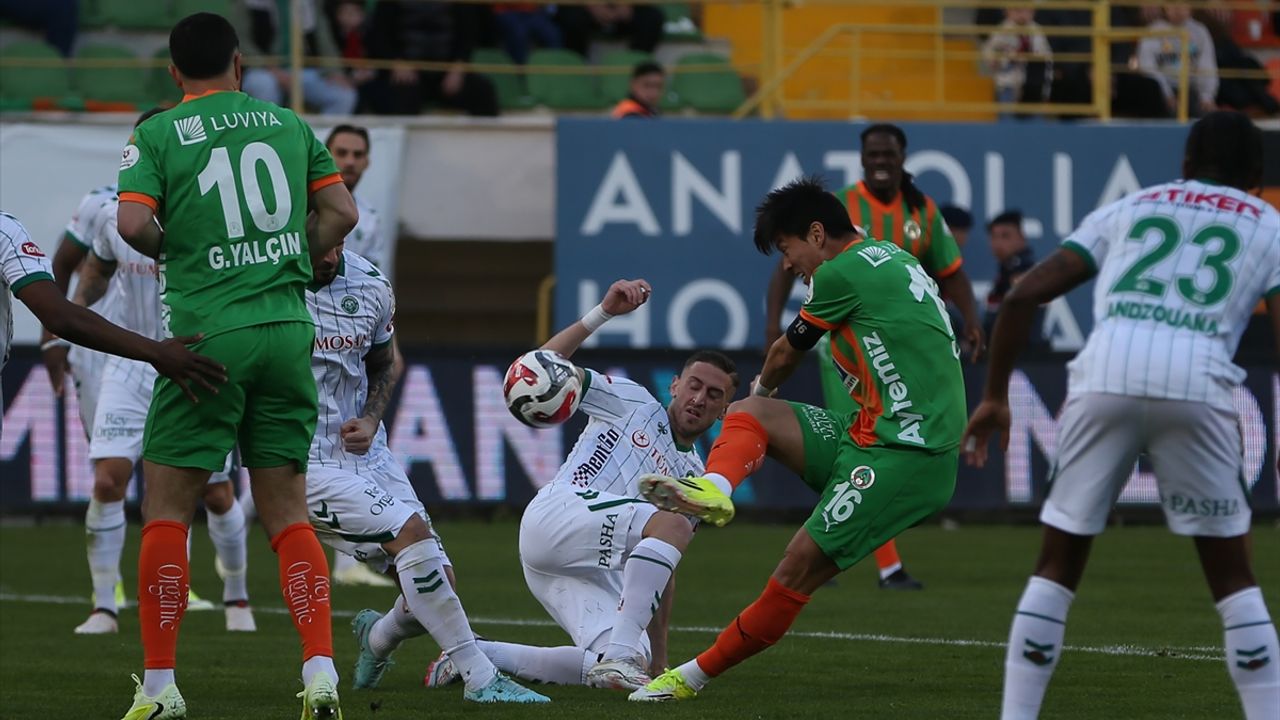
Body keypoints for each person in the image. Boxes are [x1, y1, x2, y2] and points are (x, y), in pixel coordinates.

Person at [962, 111, 1280, 720]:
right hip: (1197, 383)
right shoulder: (1267, 223)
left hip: (1105, 375)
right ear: (1256, 177)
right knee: (1234, 583)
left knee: (1056, 567)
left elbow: (1024, 295)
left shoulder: (1132, 206)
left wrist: (995, 395)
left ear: (1185, 164)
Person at [631, 177, 966, 702]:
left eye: (787, 250)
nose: (788, 265)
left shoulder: (839, 272)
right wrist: (758, 410)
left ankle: (686, 678)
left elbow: (787, 352)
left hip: (911, 456)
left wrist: (764, 391)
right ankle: (714, 489)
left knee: (796, 567)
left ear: (816, 233)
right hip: (870, 434)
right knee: (750, 413)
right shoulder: (888, 255)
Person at [113, 12, 358, 720]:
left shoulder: (157, 133)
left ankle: (160, 687)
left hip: (208, 339)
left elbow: (132, 225)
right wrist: (293, 256)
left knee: (168, 508)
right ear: (240, 63)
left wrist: (183, 251)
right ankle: (320, 671)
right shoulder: (287, 123)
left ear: (173, 72)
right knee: (286, 511)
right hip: (287, 331)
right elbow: (341, 213)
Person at [415, 279, 738, 692]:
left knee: (629, 660)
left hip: (588, 564)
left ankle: (473, 655)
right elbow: (543, 366)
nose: (699, 398)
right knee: (669, 528)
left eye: (713, 394)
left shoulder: (695, 475)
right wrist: (602, 314)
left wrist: (659, 659)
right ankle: (620, 657)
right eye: (694, 385)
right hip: (557, 517)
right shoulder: (632, 400)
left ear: (724, 409)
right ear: (675, 385)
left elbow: (665, 568)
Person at [299, 243, 547, 703]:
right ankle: (480, 677)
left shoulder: (371, 284)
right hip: (303, 460)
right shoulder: (266, 284)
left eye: (339, 242)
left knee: (437, 583)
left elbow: (383, 365)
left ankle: (377, 638)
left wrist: (370, 418)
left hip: (369, 453)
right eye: (322, 243)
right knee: (410, 534)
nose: (331, 255)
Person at [764, 124, 981, 591]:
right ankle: (874, 563)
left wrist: (972, 318)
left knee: (869, 454)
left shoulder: (922, 210)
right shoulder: (839, 205)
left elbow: (952, 269)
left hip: (901, 356)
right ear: (862, 159)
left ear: (903, 157)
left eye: (889, 153)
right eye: (873, 154)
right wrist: (773, 323)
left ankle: (828, 550)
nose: (881, 161)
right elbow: (790, 268)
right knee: (864, 451)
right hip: (850, 355)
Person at [70, 168, 255, 636]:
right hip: (130, 365)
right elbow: (95, 270)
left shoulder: (213, 217)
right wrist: (70, 316)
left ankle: (237, 596)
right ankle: (103, 607)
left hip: (193, 364)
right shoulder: (113, 218)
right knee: (108, 480)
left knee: (216, 493)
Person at [0, 212, 222, 414]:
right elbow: (60, 310)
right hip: (125, 362)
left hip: (148, 349)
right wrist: (157, 352)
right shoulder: (6, 231)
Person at [239, 0, 357, 115]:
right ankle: (270, 128)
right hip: (261, 70)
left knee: (344, 95)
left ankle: (314, 129)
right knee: (263, 84)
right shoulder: (248, 3)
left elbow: (324, 40)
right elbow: (241, 41)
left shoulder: (310, 3)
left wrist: (334, 71)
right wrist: (269, 67)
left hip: (302, 69)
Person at [323, 125, 389, 273]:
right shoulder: (300, 205)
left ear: (367, 162)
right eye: (341, 153)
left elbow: (370, 276)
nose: (350, 162)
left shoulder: (370, 218)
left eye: (358, 155)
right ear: (324, 157)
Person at [1137, 3, 1218, 117]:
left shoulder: (1200, 31)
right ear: (1165, 7)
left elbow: (1207, 65)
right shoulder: (1153, 31)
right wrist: (1166, 94)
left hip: (1191, 89)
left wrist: (1206, 96)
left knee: (1205, 115)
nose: (1178, 9)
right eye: (1173, 3)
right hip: (1163, 89)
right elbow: (1147, 66)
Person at [982, 210, 1046, 349]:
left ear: (1022, 238)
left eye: (1005, 236)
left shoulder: (1024, 270)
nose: (998, 243)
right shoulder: (1005, 271)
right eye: (993, 236)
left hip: (1021, 355)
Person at [981, 6, 1053, 115]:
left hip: (1032, 82)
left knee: (1034, 113)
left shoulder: (1037, 30)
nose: (1022, 15)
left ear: (1033, 13)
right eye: (1017, 11)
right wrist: (998, 60)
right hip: (1007, 82)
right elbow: (989, 51)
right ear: (1008, 12)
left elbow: (1046, 55)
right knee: (1006, 113)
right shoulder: (1002, 30)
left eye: (1026, 11)